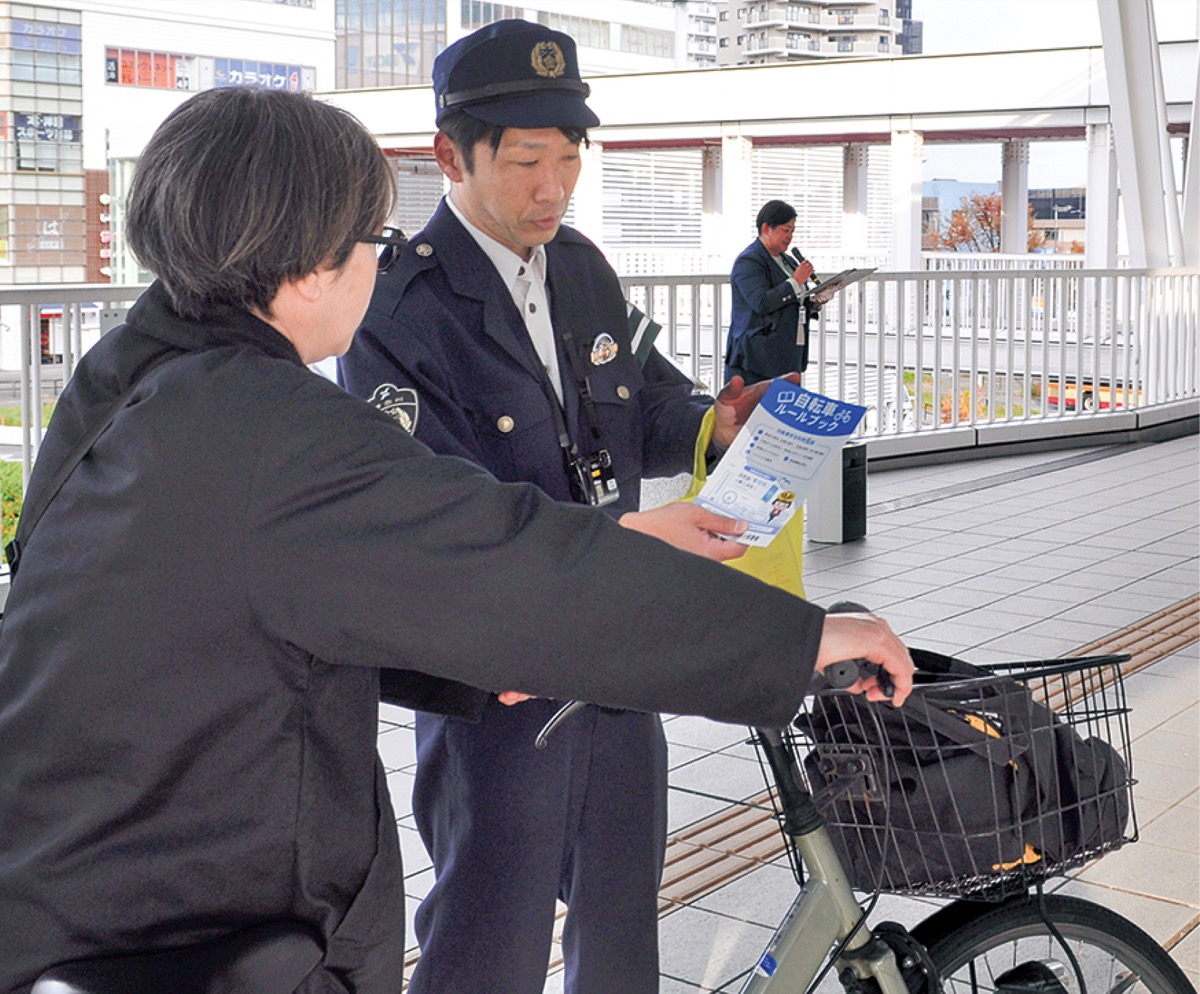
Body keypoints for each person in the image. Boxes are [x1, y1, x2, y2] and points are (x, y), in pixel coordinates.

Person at [0, 87, 912, 994]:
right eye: (371, 239)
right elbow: (502, 556)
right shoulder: (278, 428)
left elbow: (247, 598)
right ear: (313, 266)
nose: (552, 183)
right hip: (195, 926)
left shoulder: (128, 376)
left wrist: (467, 659)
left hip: (84, 888)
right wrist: (801, 640)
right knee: (490, 928)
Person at [337, 21, 844, 994]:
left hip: (619, 656)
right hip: (500, 684)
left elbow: (642, 402)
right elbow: (439, 520)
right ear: (451, 155)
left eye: (569, 158)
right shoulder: (397, 310)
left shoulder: (580, 267)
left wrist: (718, 424)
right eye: (526, 161)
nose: (553, 187)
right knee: (489, 940)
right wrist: (632, 535)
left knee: (621, 929)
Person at [726, 199, 824, 384]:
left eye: (793, 231)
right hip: (756, 360)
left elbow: (793, 299)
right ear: (766, 228)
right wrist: (795, 281)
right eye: (785, 230)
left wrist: (815, 301)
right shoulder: (749, 260)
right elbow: (761, 303)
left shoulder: (788, 260)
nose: (790, 236)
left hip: (788, 356)